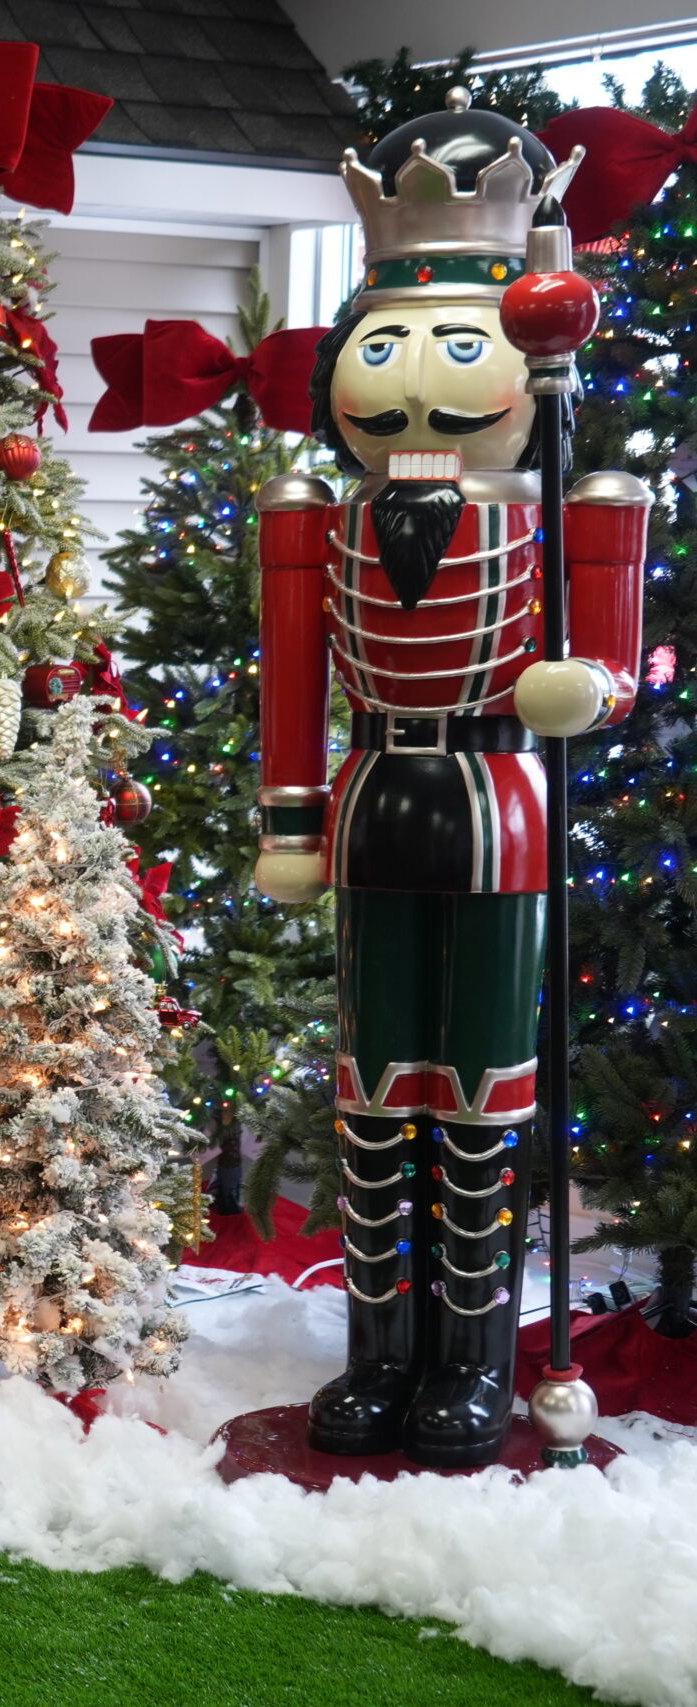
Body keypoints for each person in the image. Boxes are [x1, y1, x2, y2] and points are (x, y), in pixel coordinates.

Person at [254, 90, 650, 1466]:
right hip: (373, 804)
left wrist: (582, 692)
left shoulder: (572, 507)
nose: (415, 379)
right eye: (387, 343)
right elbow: (294, 679)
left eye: (458, 341)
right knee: (374, 1086)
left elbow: (615, 670)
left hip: (498, 815)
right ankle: (380, 1352)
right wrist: (290, 815)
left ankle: (471, 1363)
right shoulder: (317, 519)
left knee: (480, 1089)